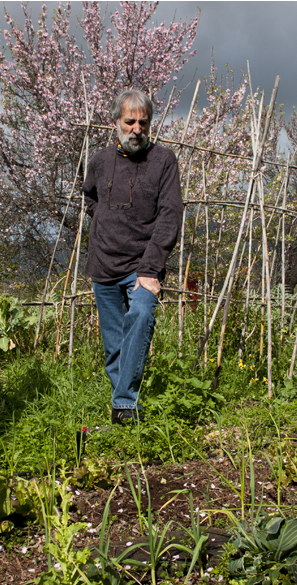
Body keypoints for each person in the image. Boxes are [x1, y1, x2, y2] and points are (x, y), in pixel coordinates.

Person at [82, 89, 183, 424]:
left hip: (142, 266)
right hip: (104, 264)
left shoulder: (163, 161)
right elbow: (90, 197)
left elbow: (170, 215)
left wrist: (151, 269)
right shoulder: (98, 161)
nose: (137, 128)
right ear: (115, 123)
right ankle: (127, 414)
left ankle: (124, 403)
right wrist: (106, 221)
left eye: (143, 121)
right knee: (113, 346)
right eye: (130, 121)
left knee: (141, 316)